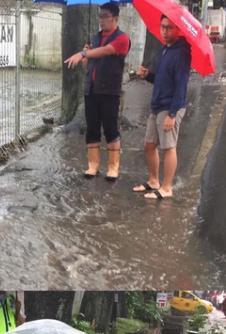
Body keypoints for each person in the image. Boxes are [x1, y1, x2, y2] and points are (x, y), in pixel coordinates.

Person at [64, 3, 131, 181]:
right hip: (91, 90)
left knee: (110, 128)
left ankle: (113, 167)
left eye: (105, 16)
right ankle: (93, 166)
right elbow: (89, 64)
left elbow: (105, 52)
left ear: (115, 18)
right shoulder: (95, 38)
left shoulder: (122, 39)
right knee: (92, 128)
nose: (101, 20)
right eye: (99, 16)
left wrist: (84, 54)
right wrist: (87, 53)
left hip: (109, 91)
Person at [134, 14, 192, 200]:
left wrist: (172, 114)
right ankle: (153, 181)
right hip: (158, 105)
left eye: (169, 28)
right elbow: (161, 79)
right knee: (149, 144)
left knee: (168, 147)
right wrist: (147, 75)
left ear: (178, 29)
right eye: (163, 27)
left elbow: (181, 86)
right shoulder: (165, 49)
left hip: (170, 107)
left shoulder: (182, 53)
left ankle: (167, 188)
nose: (165, 31)